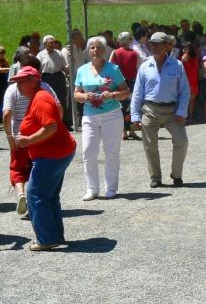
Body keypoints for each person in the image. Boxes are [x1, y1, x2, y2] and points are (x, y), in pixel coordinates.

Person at [12, 66, 76, 251]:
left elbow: (51, 127)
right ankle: (54, 236)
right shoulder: (38, 97)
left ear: (34, 80)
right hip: (56, 153)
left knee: (35, 195)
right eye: (17, 82)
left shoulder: (40, 99)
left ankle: (47, 239)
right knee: (49, 196)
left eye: (22, 81)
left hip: (50, 155)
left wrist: (27, 140)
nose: (18, 85)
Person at [3, 55, 62, 216]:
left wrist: (9, 136)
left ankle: (21, 193)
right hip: (41, 137)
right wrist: (57, 127)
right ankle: (32, 201)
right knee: (36, 170)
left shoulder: (13, 89)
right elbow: (58, 107)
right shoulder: (45, 88)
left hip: (20, 137)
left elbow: (7, 114)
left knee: (18, 169)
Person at [130, 32, 190, 188]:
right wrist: (135, 116)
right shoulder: (144, 66)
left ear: (167, 46)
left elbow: (184, 91)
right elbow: (137, 93)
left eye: (157, 44)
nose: (153, 47)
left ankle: (176, 175)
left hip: (172, 110)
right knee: (150, 145)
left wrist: (182, 112)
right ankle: (155, 177)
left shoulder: (177, 65)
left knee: (182, 141)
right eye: (151, 44)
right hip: (150, 109)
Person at [74, 36, 130, 200]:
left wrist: (112, 94)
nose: (95, 50)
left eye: (99, 47)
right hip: (90, 117)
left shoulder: (113, 69)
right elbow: (76, 94)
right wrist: (85, 96)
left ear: (104, 51)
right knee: (88, 152)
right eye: (92, 47)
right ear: (88, 51)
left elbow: (125, 92)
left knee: (111, 152)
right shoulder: (82, 70)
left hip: (111, 116)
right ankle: (92, 189)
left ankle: (111, 187)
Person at [109, 31, 141, 140]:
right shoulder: (135, 53)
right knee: (131, 106)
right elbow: (138, 69)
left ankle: (124, 132)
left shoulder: (115, 52)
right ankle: (131, 130)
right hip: (132, 83)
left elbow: (110, 67)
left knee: (121, 107)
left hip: (119, 84)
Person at [37, 35, 70, 128]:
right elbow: (39, 69)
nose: (52, 45)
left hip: (58, 77)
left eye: (53, 43)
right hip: (46, 78)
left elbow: (64, 67)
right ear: (45, 44)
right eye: (50, 43)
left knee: (62, 99)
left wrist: (67, 68)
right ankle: (49, 122)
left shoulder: (59, 53)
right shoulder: (40, 55)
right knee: (48, 100)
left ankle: (64, 123)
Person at [181, 41, 200, 120]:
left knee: (190, 101)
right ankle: (184, 116)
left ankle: (189, 117)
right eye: (183, 48)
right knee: (186, 101)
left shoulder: (193, 57)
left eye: (185, 48)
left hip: (191, 81)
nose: (183, 50)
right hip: (185, 81)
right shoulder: (182, 57)